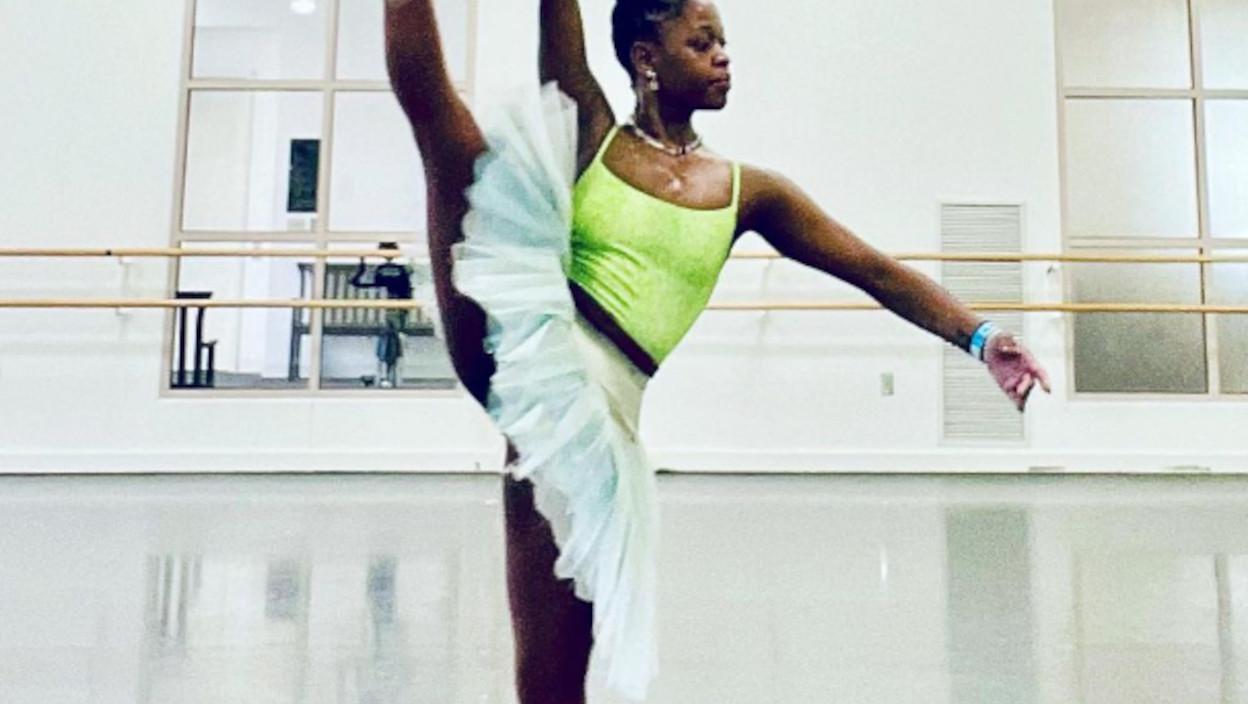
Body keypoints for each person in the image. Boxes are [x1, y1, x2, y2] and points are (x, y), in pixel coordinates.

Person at [383, 1, 1051, 701]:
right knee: (445, 131)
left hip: (603, 427)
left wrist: (980, 337)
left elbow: (873, 269)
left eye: (723, 43)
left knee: (553, 685)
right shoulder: (594, 133)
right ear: (647, 58)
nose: (723, 56)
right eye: (702, 43)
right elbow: (559, 23)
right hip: (536, 353)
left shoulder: (748, 193)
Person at [349, 242, 414, 388]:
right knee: (391, 334)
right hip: (391, 309)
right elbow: (361, 282)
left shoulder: (394, 269)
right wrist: (362, 266)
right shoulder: (393, 269)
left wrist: (362, 266)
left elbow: (360, 282)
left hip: (396, 309)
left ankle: (388, 373)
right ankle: (387, 373)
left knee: (392, 333)